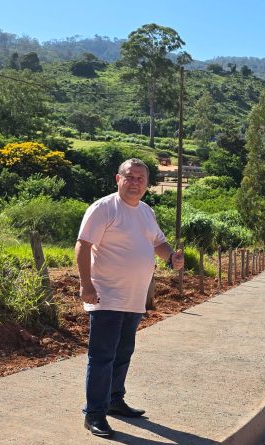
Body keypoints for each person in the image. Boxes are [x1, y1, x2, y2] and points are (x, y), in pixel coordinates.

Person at [75, 158, 184, 438]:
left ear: (147, 185)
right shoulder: (104, 208)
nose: (135, 182)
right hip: (106, 296)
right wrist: (86, 285)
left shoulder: (146, 212)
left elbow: (158, 243)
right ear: (118, 179)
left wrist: (171, 258)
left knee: (122, 353)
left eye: (141, 179)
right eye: (130, 176)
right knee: (102, 357)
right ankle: (94, 414)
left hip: (134, 300)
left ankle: (114, 400)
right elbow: (83, 245)